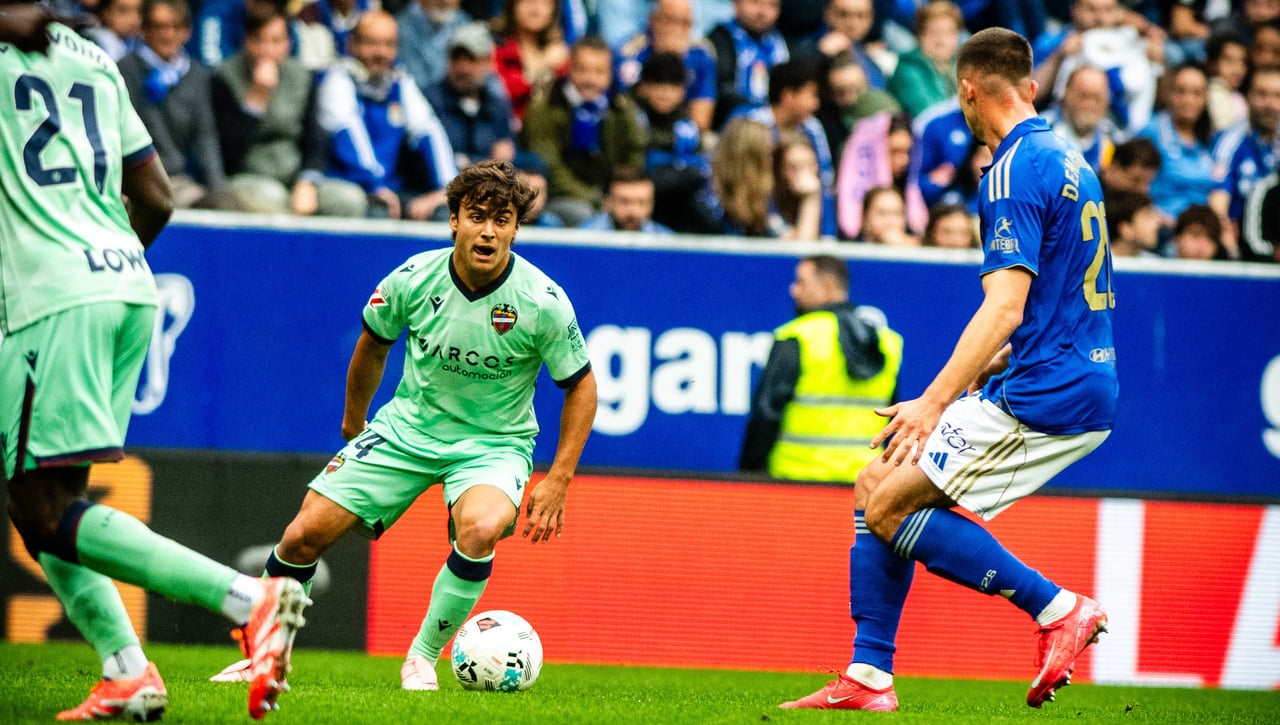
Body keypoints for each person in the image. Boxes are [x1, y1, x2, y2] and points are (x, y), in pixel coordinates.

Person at [780, 27, 1116, 711]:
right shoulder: (1070, 159)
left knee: (889, 504)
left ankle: (1057, 608)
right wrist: (986, 365)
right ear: (1027, 87)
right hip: (1064, 369)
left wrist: (931, 400)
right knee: (876, 482)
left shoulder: (1011, 168)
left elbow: (1006, 304)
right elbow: (1061, 291)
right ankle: (869, 674)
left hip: (1048, 389)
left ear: (966, 90)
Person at [0, 8, 308, 721]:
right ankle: (127, 670)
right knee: (40, 500)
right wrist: (102, 265)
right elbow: (158, 197)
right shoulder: (94, 55)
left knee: (45, 509)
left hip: (53, 294)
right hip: (124, 280)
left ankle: (250, 600)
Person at [209, 159, 597, 691]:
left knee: (481, 527)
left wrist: (559, 479)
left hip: (494, 444)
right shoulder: (414, 277)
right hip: (405, 430)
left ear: (514, 227)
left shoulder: (542, 302)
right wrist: (354, 419)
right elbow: (373, 340)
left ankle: (422, 657)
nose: (488, 230)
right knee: (303, 535)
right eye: (476, 216)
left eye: (501, 219)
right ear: (454, 220)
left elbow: (581, 385)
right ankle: (262, 657)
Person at [740, 255, 903, 482]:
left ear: (826, 287)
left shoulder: (797, 336)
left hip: (795, 480)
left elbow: (766, 414)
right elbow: (892, 417)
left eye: (801, 282)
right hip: (863, 481)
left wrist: (748, 475)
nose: (794, 291)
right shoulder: (888, 342)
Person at [213, 4, 359, 216]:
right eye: (260, 40)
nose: (268, 50)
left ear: (289, 44)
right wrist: (255, 100)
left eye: (276, 41)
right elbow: (226, 154)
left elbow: (315, 138)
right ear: (247, 41)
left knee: (349, 200)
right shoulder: (224, 77)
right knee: (274, 199)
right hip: (248, 177)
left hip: (294, 178)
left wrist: (307, 181)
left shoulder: (301, 76)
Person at [315, 10, 459, 220]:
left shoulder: (399, 83)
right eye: (371, 43)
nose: (381, 52)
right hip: (347, 183)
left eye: (389, 44)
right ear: (351, 44)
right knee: (379, 212)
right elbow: (348, 134)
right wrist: (376, 186)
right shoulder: (337, 79)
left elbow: (428, 129)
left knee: (443, 213)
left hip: (389, 188)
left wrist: (449, 190)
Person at [518, 34, 646, 227]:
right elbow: (549, 166)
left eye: (599, 71)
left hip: (611, 198)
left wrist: (616, 196)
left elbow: (634, 155)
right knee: (584, 215)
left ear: (610, 74)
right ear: (570, 68)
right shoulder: (545, 106)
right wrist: (595, 200)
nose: (591, 79)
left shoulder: (621, 109)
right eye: (583, 70)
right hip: (560, 197)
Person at [118, 0, 228, 209]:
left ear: (187, 31)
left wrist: (217, 190)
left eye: (176, 27)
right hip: (133, 181)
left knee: (223, 204)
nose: (168, 34)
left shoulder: (197, 75)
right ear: (145, 29)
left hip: (180, 182)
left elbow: (205, 137)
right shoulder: (124, 70)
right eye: (159, 26)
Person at [425, 21, 517, 168]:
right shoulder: (429, 101)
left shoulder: (497, 106)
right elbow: (431, 159)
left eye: (471, 59)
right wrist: (488, 162)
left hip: (489, 185)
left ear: (488, 62)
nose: (463, 68)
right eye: (457, 58)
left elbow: (507, 151)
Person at [614, 0, 717, 131]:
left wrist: (676, 61)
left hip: (682, 139)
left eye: (685, 23)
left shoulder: (702, 55)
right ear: (653, 20)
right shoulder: (630, 54)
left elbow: (701, 123)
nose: (677, 30)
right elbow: (625, 115)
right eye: (670, 21)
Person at [707, 0, 789, 129]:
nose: (763, 12)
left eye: (772, 5)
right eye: (754, 2)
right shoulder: (722, 37)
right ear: (736, 3)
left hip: (772, 123)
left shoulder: (777, 41)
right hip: (730, 126)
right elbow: (723, 90)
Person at [886, 0, 961, 119]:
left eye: (949, 33)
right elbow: (929, 114)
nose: (941, 40)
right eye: (933, 33)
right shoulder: (908, 69)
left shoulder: (961, 66)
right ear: (919, 35)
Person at [1040, 64, 1115, 172]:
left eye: (1097, 98)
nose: (1090, 105)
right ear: (1066, 93)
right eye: (1083, 96)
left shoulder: (1113, 139)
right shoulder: (1042, 131)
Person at [579, 165, 675, 233]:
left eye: (641, 203)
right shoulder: (584, 238)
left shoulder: (666, 240)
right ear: (607, 203)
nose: (633, 211)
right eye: (624, 202)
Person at [1103, 187, 1163, 256]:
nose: (1158, 222)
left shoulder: (1154, 263)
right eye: (1148, 216)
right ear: (1126, 229)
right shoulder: (1097, 263)